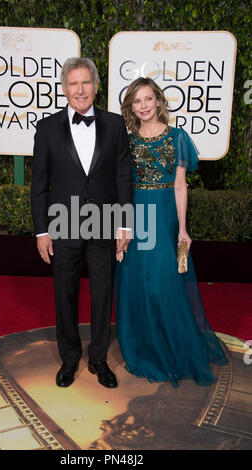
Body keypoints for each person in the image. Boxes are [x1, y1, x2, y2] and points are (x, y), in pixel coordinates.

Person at [115, 77, 227, 388]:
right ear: (131, 107)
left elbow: (180, 185)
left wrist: (183, 229)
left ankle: (174, 348)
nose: (144, 106)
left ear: (159, 101)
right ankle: (146, 348)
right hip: (136, 213)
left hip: (163, 214)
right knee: (138, 283)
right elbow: (120, 186)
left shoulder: (177, 137)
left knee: (164, 284)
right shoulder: (127, 140)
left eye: (148, 99)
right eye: (137, 101)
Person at [31, 58, 133, 388]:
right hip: (63, 224)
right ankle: (70, 358)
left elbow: (122, 178)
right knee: (65, 294)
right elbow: (39, 184)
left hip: (104, 223)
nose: (80, 90)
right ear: (64, 89)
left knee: (103, 294)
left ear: (96, 86)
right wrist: (42, 230)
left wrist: (125, 224)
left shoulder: (116, 125)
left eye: (86, 83)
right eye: (73, 84)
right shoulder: (47, 129)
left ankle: (99, 360)